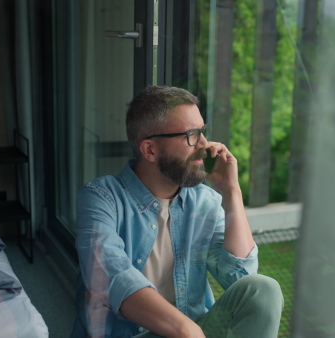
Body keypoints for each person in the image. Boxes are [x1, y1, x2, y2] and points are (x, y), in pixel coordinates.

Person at [71, 86, 283, 337]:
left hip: (193, 330)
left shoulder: (205, 201)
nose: (205, 145)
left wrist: (231, 192)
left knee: (263, 288)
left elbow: (240, 279)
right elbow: (113, 279)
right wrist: (186, 330)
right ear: (150, 150)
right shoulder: (101, 198)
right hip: (136, 334)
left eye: (203, 132)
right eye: (191, 135)